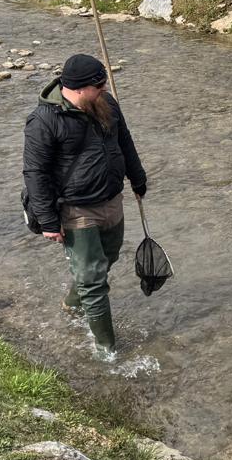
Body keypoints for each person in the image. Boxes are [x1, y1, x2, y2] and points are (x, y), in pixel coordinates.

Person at [22, 53, 148, 360]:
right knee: (94, 282)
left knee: (108, 259)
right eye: (99, 86)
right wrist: (48, 221)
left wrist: (138, 177)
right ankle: (109, 352)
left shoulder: (107, 104)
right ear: (78, 88)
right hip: (76, 210)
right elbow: (35, 173)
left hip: (112, 200)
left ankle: (72, 302)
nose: (105, 89)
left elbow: (124, 140)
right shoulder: (44, 121)